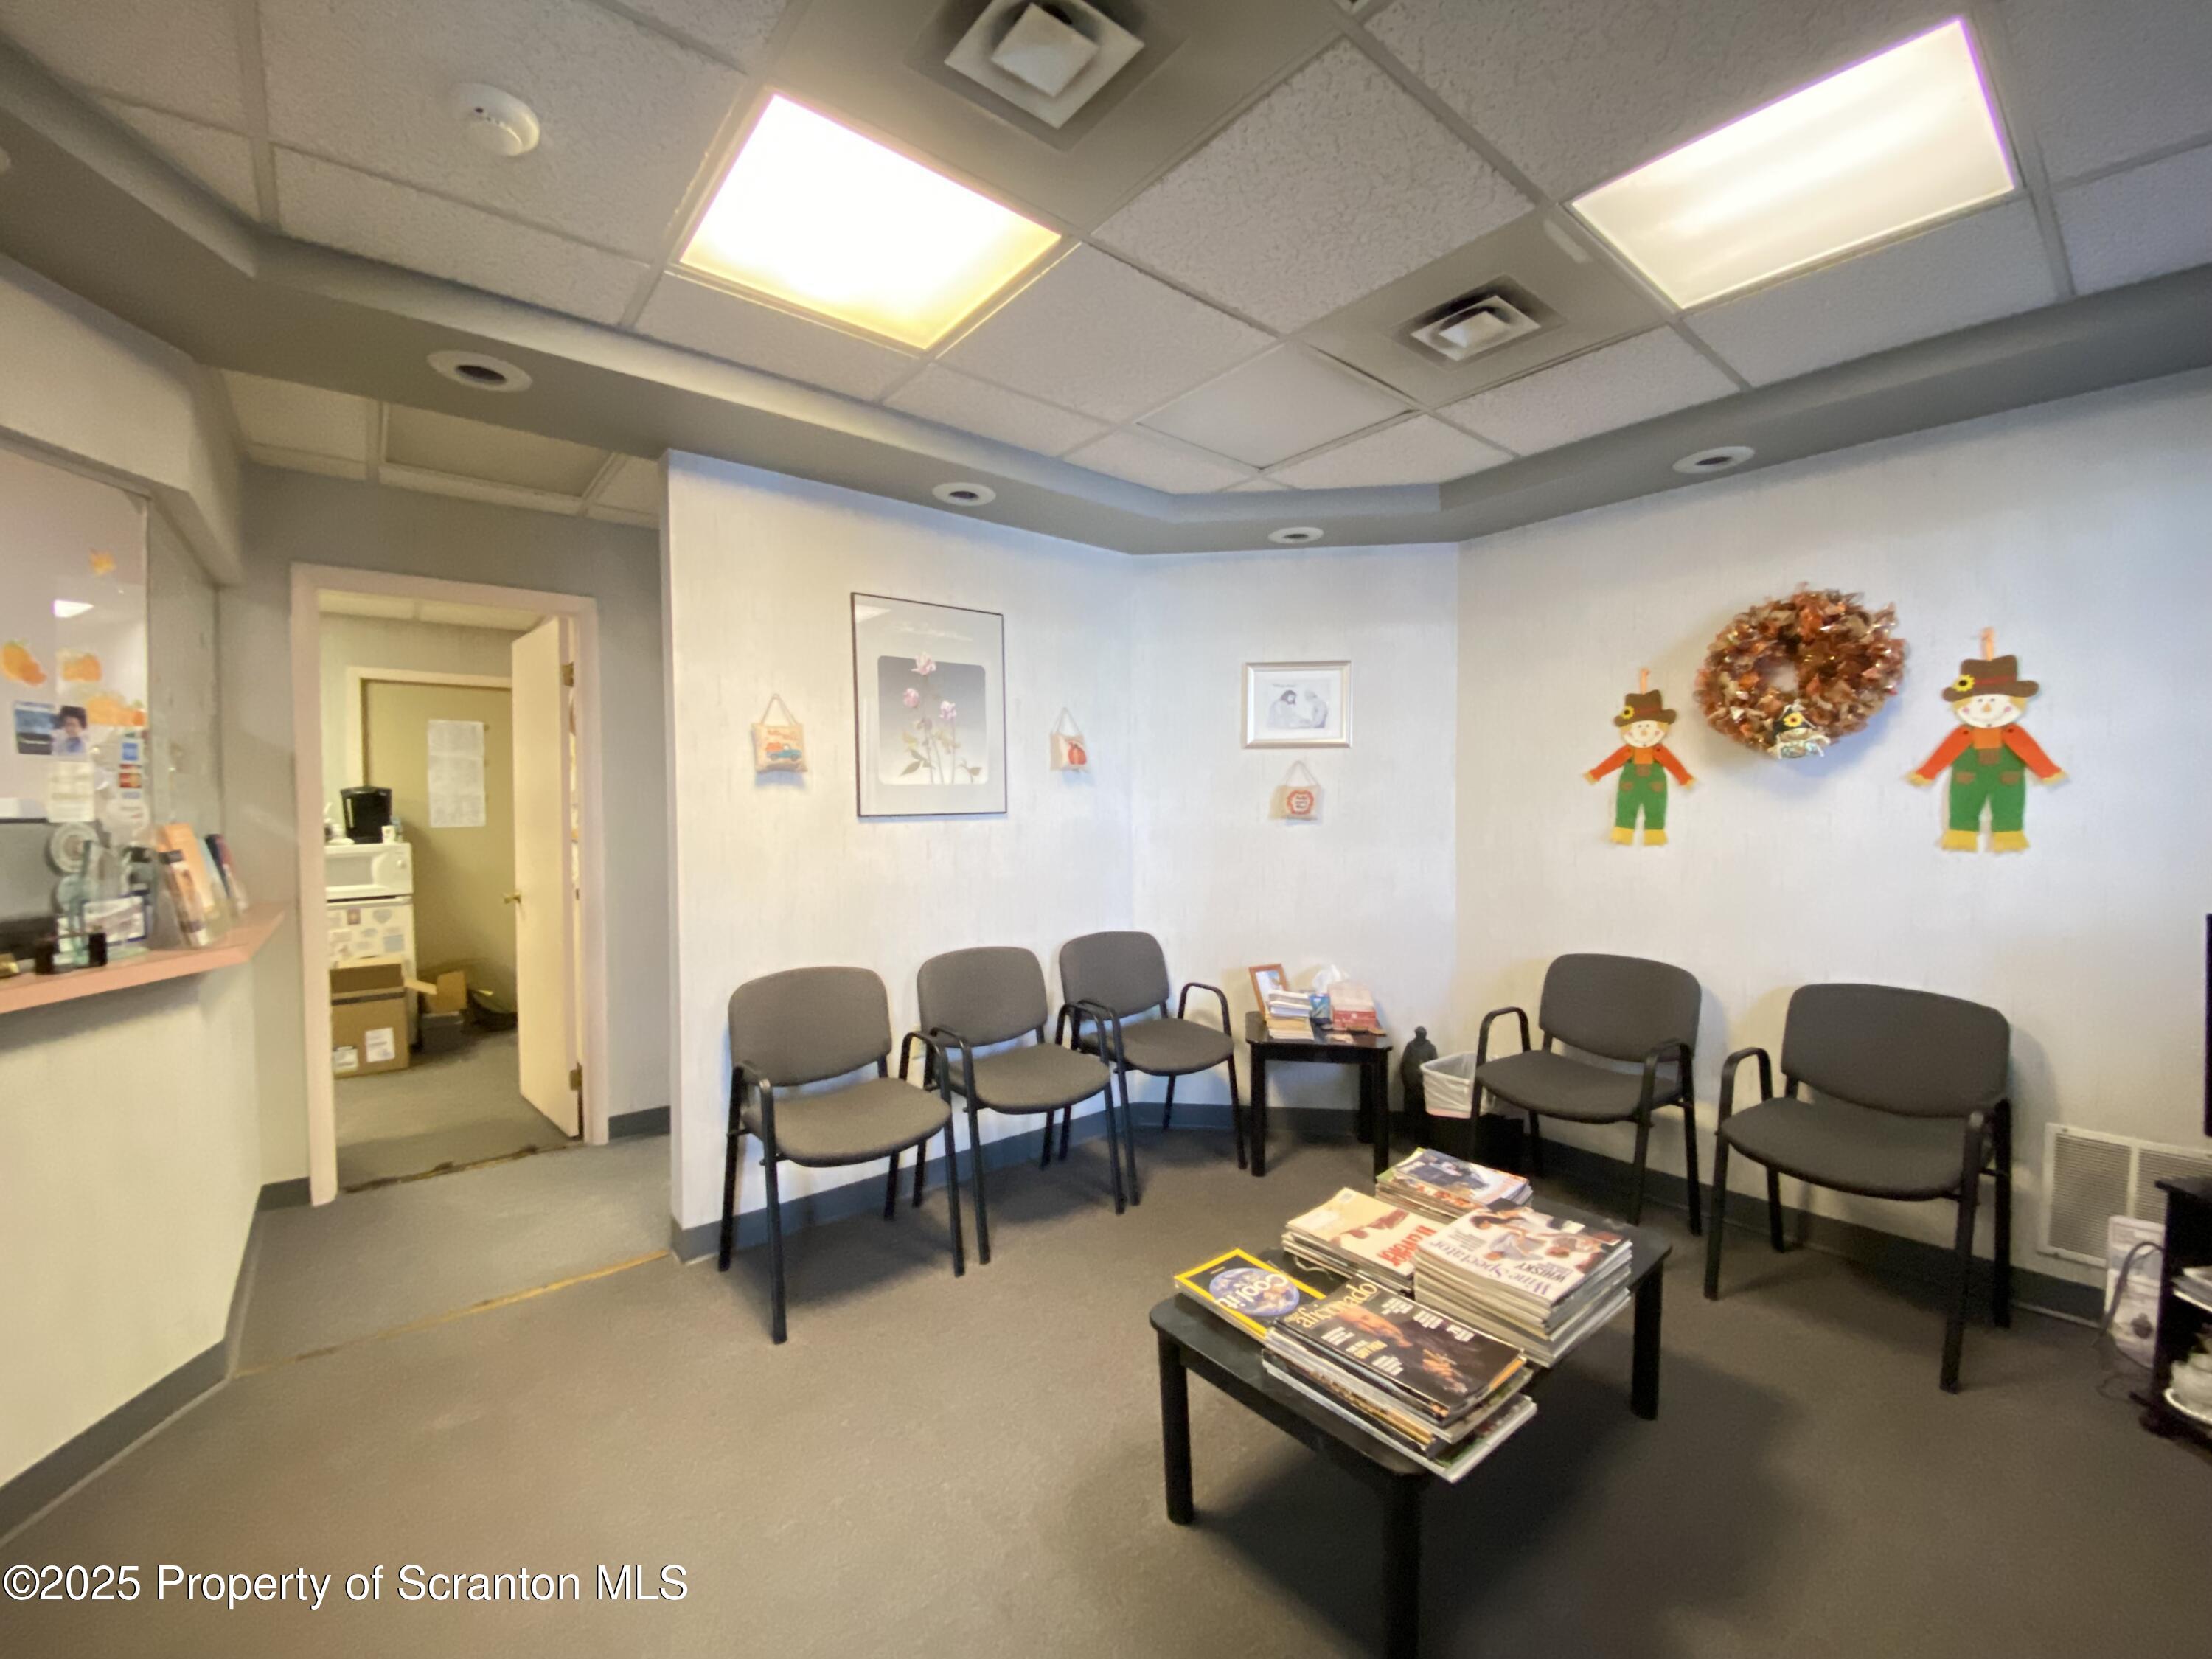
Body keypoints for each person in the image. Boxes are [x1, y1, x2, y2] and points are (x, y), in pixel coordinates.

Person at [1907, 653, 2065, 851]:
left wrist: (2047, 771)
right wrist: (1927, 772)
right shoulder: (1963, 733)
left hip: (2007, 779)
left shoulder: (2013, 732)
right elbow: (1945, 753)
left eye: (1993, 700)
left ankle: (2009, 836)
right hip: (1969, 779)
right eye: (1980, 701)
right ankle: (1960, 835)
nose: (1988, 706)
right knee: (1963, 806)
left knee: (2009, 806)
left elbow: (2031, 752)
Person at [1585, 689, 1694, 846]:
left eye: (1648, 726)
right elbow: (1614, 761)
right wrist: (1597, 773)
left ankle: (1655, 833)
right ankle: (1622, 832)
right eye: (1639, 726)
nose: (1643, 731)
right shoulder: (1628, 750)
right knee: (1626, 805)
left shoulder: (1659, 751)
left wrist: (1684, 777)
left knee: (1655, 806)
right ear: (1628, 729)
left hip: (1654, 783)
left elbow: (1672, 763)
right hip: (1630, 783)